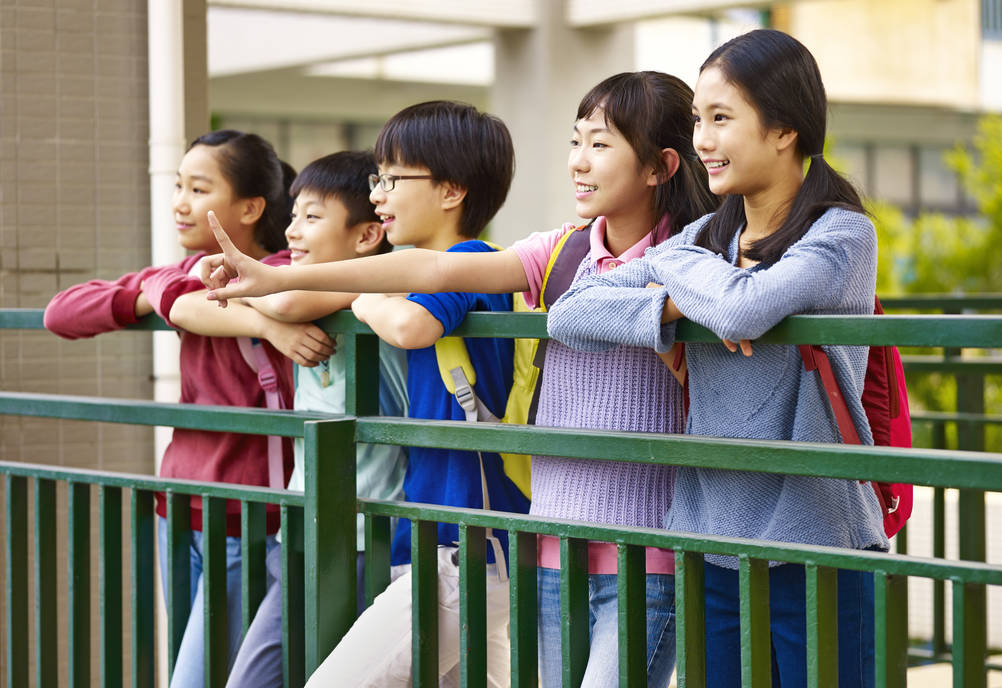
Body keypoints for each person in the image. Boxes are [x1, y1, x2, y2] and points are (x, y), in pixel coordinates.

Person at [198, 73, 719, 687]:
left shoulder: (697, 254)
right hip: (549, 542)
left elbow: (424, 306)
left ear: (659, 166)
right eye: (575, 142)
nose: (579, 162)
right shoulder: (562, 252)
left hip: (629, 550)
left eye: (600, 145)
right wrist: (273, 278)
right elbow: (428, 268)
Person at [547, 30, 886, 687]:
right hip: (709, 536)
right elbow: (570, 313)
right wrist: (672, 305)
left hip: (814, 533)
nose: (703, 139)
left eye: (721, 119)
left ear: (785, 128)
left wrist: (675, 270)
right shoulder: (705, 237)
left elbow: (740, 312)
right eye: (700, 119)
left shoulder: (841, 232)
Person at [208, 100, 529, 686]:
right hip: (450, 539)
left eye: (393, 178)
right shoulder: (421, 265)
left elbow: (411, 327)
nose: (378, 192)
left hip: (464, 544)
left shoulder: (469, 259)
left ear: (452, 191)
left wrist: (360, 296)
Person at [42, 130, 328, 687]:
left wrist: (238, 309)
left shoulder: (278, 273)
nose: (179, 202)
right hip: (181, 511)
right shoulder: (189, 273)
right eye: (179, 185)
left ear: (249, 207)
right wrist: (161, 287)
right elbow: (61, 314)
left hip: (249, 516)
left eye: (198, 188)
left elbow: (217, 303)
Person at [167, 150, 409, 688]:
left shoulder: (369, 289)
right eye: (294, 214)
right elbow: (184, 307)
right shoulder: (302, 286)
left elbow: (287, 299)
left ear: (368, 236)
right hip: (302, 529)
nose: (293, 231)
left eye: (312, 217)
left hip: (365, 539)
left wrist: (241, 285)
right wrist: (260, 307)